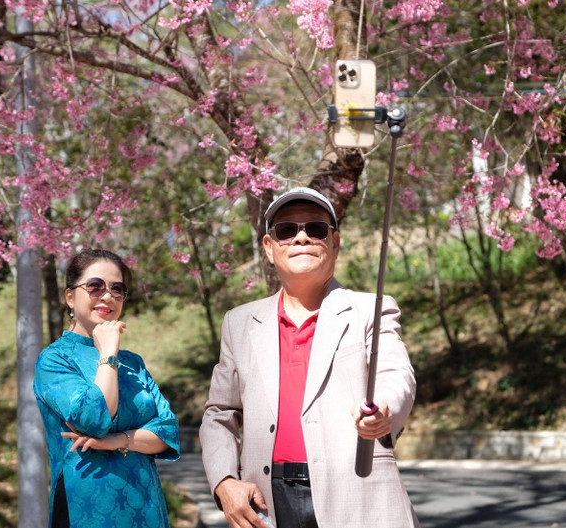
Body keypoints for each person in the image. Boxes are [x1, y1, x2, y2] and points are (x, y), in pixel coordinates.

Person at [200, 187, 419, 528]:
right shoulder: (239, 322)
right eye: (287, 230)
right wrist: (224, 480)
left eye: (315, 229)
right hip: (267, 503)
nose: (301, 237)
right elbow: (219, 412)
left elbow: (396, 374)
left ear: (335, 243)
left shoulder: (370, 309)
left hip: (358, 497)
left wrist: (384, 409)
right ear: (269, 247)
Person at [34, 249, 180, 528]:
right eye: (95, 286)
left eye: (117, 289)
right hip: (86, 506)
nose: (107, 296)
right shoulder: (54, 360)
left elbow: (168, 431)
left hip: (145, 505)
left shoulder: (133, 363)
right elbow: (93, 419)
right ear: (70, 297)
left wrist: (117, 440)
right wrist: (108, 353)